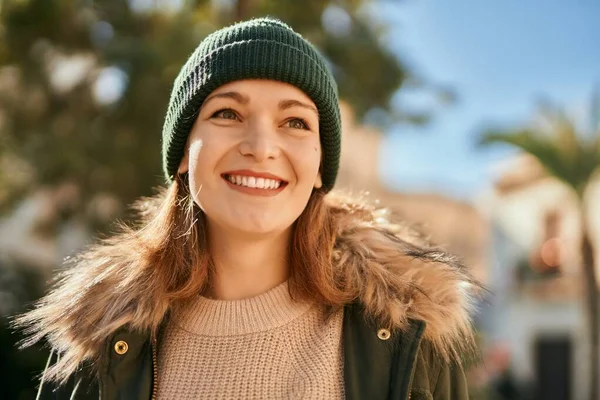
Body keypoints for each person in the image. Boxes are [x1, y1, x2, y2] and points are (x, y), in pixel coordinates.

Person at [15, 17, 480, 400]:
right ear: (182, 152)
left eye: (294, 122)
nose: (261, 147)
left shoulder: (409, 343)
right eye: (227, 114)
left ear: (320, 165)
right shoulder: (96, 344)